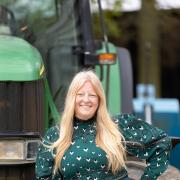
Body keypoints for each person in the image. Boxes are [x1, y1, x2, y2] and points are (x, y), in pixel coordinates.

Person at [35, 70, 171, 180]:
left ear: (99, 100)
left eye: (92, 95)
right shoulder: (55, 135)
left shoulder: (117, 126)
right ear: (72, 98)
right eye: (80, 94)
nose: (86, 100)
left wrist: (148, 178)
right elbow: (43, 177)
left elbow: (161, 142)